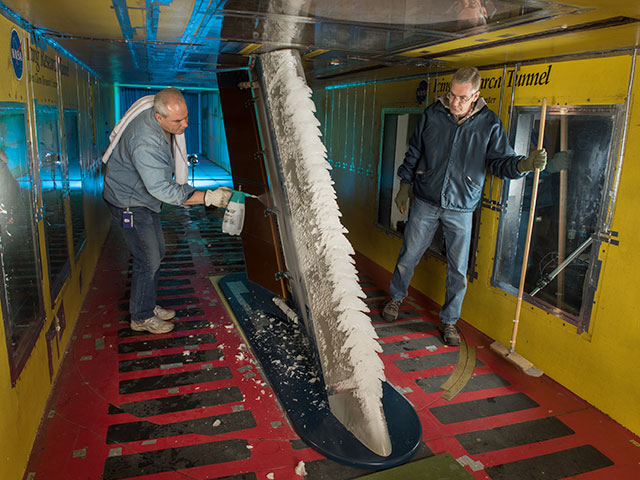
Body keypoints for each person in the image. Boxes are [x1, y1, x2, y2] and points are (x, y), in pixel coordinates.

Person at [381, 66, 547, 346]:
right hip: (425, 201)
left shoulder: (489, 124)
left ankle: (449, 321)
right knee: (409, 255)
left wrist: (524, 165)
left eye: (462, 97)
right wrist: (404, 186)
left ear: (476, 95)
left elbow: (500, 162)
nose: (455, 102)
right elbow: (415, 151)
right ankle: (396, 298)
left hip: (461, 206)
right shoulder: (433, 114)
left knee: (458, 269)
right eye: (452, 95)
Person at [103, 88, 232, 334]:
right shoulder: (145, 142)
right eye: (178, 121)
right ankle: (140, 317)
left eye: (185, 117)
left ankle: (147, 304)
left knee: (156, 252)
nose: (185, 124)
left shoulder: (155, 109)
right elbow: (162, 189)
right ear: (159, 117)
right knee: (147, 257)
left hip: (143, 199)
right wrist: (208, 197)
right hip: (128, 205)